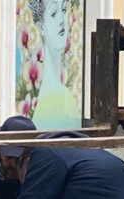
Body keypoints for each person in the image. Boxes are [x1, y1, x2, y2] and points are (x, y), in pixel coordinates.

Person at [27, 0, 82, 130]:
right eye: (53, 14)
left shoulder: (60, 94)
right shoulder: (55, 95)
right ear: (41, 27)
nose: (62, 20)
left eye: (63, 10)